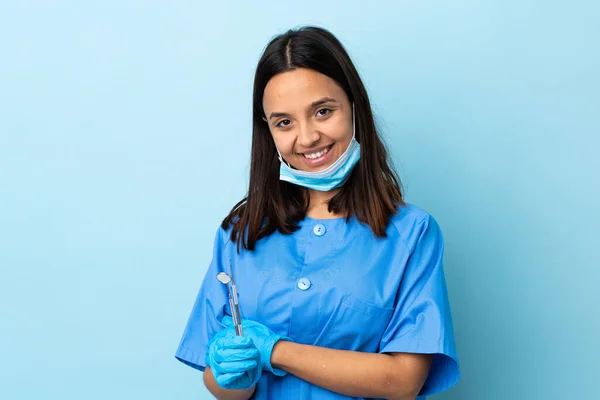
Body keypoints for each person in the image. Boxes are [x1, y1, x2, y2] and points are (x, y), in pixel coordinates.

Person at [175, 26, 460, 400]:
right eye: (284, 122)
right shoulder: (239, 234)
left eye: (323, 111)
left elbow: (404, 380)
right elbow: (220, 383)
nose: (307, 137)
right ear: (269, 131)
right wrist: (232, 376)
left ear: (354, 106)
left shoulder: (411, 234)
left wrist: (274, 352)